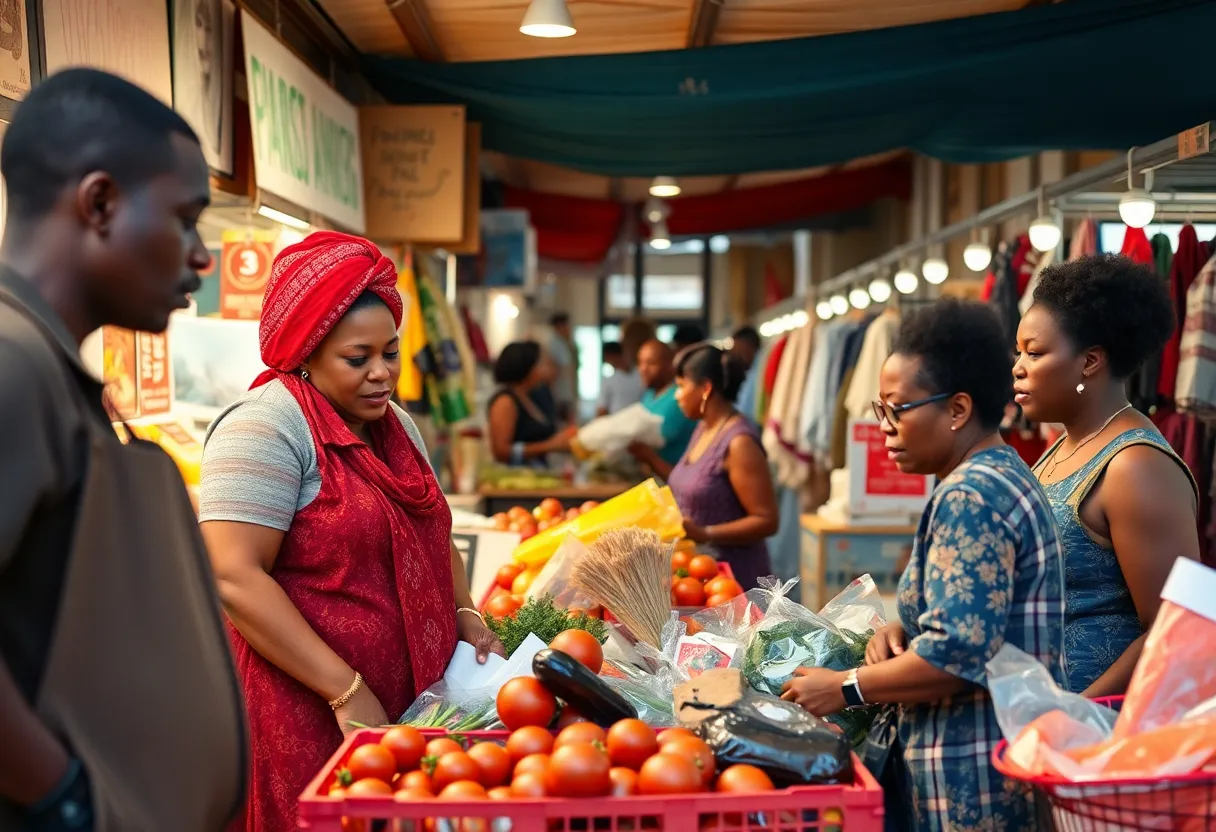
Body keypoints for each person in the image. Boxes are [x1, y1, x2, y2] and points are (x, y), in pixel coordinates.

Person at [0, 68, 245, 830]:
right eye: (186, 218)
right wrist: (66, 802)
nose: (202, 256)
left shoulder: (47, 362)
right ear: (99, 203)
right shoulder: (14, 365)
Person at [198, 231, 505, 831]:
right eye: (356, 359)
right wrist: (344, 690)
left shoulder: (399, 428)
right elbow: (234, 575)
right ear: (307, 353)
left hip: (414, 704)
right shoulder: (265, 429)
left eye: (390, 353)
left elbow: (432, 530)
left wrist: (464, 608)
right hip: (308, 707)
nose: (381, 374)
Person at [781, 299, 1066, 832]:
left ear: (957, 410)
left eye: (898, 409)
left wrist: (844, 685)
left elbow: (956, 654)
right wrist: (904, 628)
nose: (883, 427)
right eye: (879, 408)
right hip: (1000, 756)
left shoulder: (971, 497)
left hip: (974, 775)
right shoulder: (1002, 473)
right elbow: (970, 621)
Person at [1014, 254, 1200, 696]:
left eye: (1035, 353)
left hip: (1095, 727)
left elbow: (1174, 627)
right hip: (1043, 715)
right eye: (1018, 351)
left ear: (1090, 362)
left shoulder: (1135, 466)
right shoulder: (1065, 446)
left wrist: (1076, 713)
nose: (1018, 367)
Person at [667, 344, 777, 589]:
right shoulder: (703, 428)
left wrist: (704, 532)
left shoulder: (739, 443)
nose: (677, 395)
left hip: (737, 583)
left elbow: (767, 520)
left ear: (705, 388)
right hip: (704, 578)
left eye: (682, 385)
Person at [487, 340, 574, 467]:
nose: (546, 369)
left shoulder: (531, 396)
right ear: (527, 368)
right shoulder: (505, 401)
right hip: (516, 478)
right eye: (541, 364)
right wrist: (549, 446)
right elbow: (501, 451)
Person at [629, 339, 697, 478]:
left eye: (651, 363)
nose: (643, 369)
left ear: (670, 365)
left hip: (677, 480)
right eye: (640, 362)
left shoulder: (678, 399)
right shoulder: (649, 396)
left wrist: (647, 455)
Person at [595, 341, 644, 417]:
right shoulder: (640, 375)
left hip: (634, 421)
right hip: (624, 422)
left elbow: (601, 410)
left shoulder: (641, 375)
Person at [546, 312, 578, 424]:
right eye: (567, 325)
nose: (569, 329)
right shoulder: (554, 344)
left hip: (564, 392)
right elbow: (559, 368)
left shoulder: (562, 343)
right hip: (559, 394)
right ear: (560, 326)